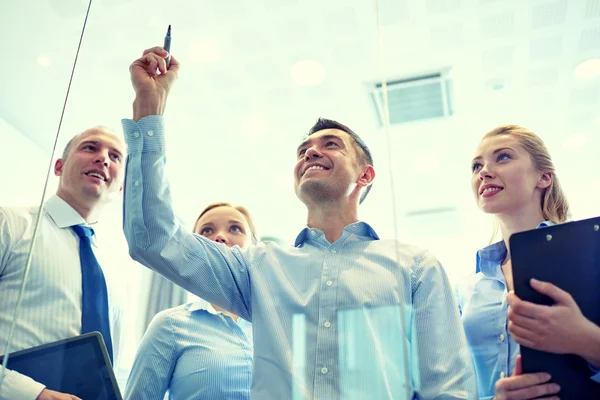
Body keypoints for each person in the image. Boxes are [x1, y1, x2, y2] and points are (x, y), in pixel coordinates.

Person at [122, 46, 477, 399]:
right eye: (303, 149)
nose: (310, 152)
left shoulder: (415, 267)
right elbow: (153, 238)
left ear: (365, 175)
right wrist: (149, 108)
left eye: (331, 144)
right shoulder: (258, 269)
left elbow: (447, 390)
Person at [456, 124, 600, 400]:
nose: (483, 171)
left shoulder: (591, 257)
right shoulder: (467, 288)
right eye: (476, 166)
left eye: (503, 157)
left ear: (543, 177)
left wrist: (587, 340)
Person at [0, 127, 127, 400]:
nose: (103, 159)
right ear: (59, 166)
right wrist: (32, 394)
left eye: (115, 156)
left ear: (120, 188)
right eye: (91, 148)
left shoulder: (114, 275)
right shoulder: (8, 225)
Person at [125, 202, 257, 400]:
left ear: (256, 246)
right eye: (207, 231)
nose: (220, 236)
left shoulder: (280, 325)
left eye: (235, 228)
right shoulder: (170, 325)